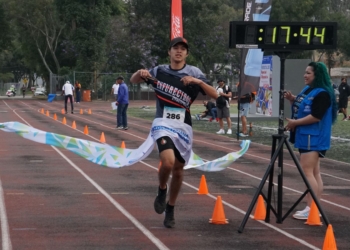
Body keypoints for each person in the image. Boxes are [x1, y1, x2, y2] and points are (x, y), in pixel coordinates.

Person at [130, 37, 217, 228]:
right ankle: (162, 189)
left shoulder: (194, 72)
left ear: (187, 53)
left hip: (183, 127)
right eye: (175, 48)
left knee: (178, 170)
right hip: (162, 123)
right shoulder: (159, 71)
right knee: (167, 162)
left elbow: (215, 94)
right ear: (169, 52)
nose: (179, 51)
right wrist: (140, 72)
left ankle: (170, 207)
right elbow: (134, 80)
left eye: (183, 49)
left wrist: (197, 82)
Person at [283, 62, 337, 220]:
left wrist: (295, 123)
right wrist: (292, 99)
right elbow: (303, 108)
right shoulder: (308, 89)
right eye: (305, 72)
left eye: (308, 73)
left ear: (317, 75)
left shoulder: (323, 94)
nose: (305, 75)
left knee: (308, 172)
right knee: (314, 172)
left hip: (313, 138)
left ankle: (311, 208)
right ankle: (314, 207)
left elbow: (315, 116)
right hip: (306, 136)